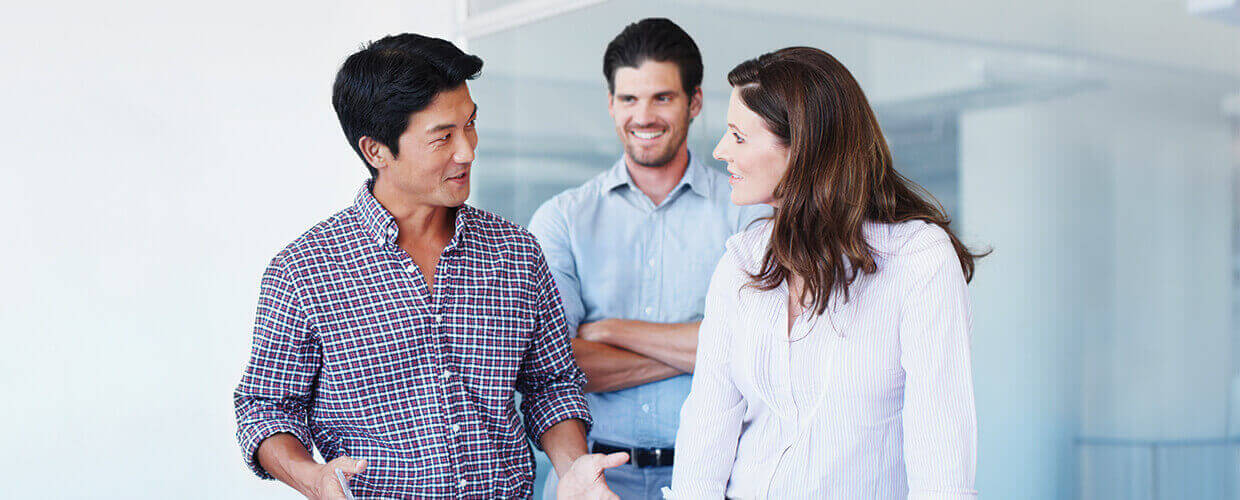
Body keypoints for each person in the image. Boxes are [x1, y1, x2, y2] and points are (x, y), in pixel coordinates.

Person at [233, 33, 626, 499]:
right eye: (443, 137)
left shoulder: (517, 252)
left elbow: (552, 385)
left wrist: (572, 469)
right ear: (376, 150)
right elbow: (265, 408)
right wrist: (311, 477)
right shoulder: (303, 271)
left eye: (471, 125)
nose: (468, 151)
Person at [668, 46, 984, 499]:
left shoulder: (918, 260)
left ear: (803, 148)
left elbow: (942, 452)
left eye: (739, 136)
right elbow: (708, 425)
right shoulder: (741, 261)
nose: (720, 150)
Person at [528, 18, 769, 500]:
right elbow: (554, 364)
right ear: (611, 104)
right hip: (595, 479)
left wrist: (610, 331)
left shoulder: (750, 212)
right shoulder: (562, 220)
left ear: (694, 101)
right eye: (629, 99)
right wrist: (705, 350)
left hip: (718, 478)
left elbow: (760, 352)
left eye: (662, 97)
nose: (644, 115)